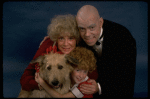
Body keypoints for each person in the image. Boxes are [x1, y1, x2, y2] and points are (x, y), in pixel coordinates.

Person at [76, 5, 137, 97]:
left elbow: (126, 79)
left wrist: (99, 87)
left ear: (100, 22)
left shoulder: (124, 38)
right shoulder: (78, 33)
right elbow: (63, 40)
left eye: (92, 27)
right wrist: (49, 41)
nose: (87, 34)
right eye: (82, 29)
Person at [20, 14, 80, 91]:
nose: (66, 44)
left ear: (77, 39)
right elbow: (25, 77)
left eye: (71, 38)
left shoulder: (81, 50)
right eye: (61, 38)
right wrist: (41, 84)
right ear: (56, 38)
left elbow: (91, 73)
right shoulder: (47, 44)